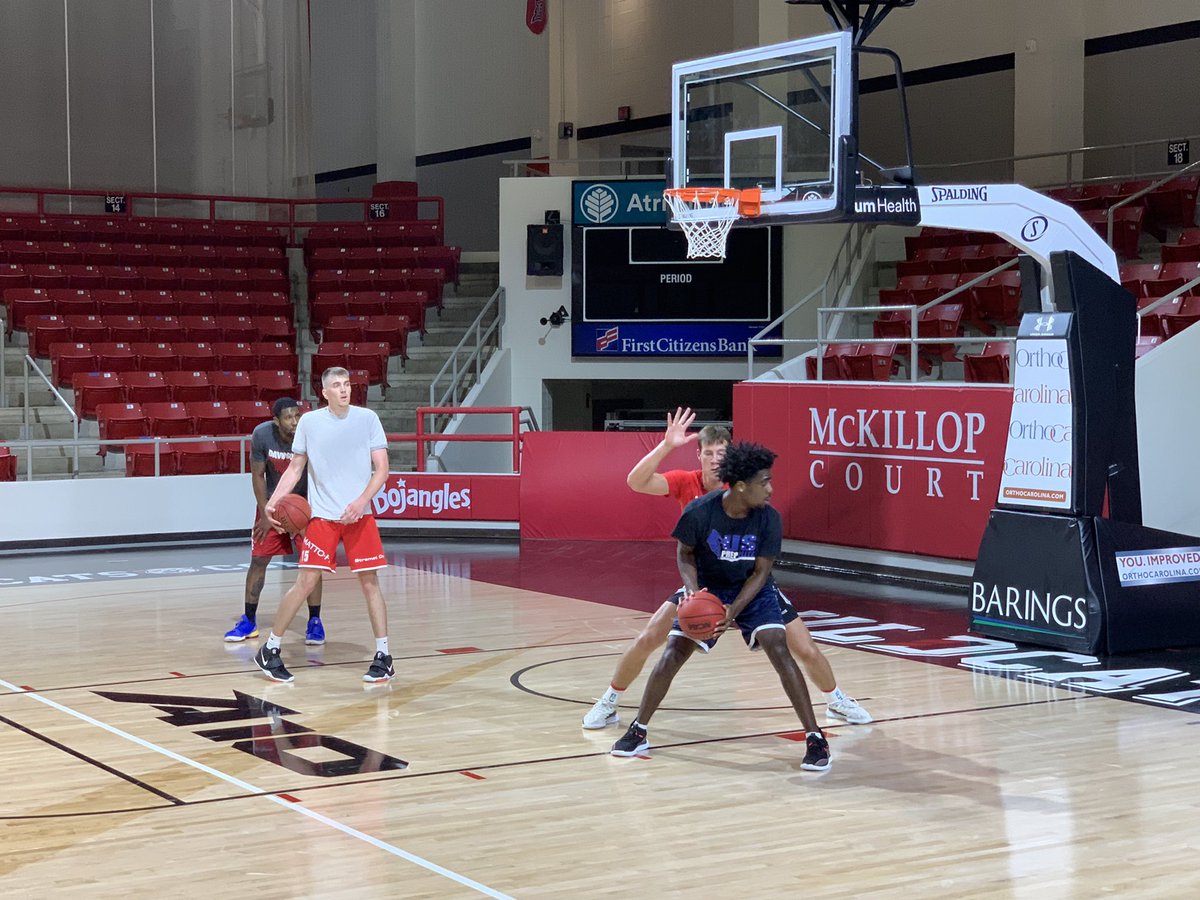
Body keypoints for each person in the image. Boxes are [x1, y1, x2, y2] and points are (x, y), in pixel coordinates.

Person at [582, 407, 871, 728]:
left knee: (804, 648)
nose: (716, 458)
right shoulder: (686, 484)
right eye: (709, 452)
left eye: (722, 452)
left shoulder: (743, 491)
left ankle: (836, 700)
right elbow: (636, 482)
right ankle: (609, 701)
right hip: (707, 583)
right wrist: (666, 446)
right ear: (699, 456)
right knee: (650, 637)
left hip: (750, 582)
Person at [611, 441, 831, 771]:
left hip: (751, 590)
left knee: (778, 646)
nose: (770, 489)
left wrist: (734, 611)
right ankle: (638, 729)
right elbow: (685, 553)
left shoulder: (768, 519)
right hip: (710, 587)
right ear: (741, 486)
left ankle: (815, 738)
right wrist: (694, 593)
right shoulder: (701, 511)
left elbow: (761, 572)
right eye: (764, 482)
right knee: (673, 652)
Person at [252, 367, 393, 684]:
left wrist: (360, 502)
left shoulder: (367, 419)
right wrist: (273, 502)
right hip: (321, 517)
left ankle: (384, 656)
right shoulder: (310, 423)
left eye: (347, 385)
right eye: (337, 386)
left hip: (360, 516)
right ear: (325, 392)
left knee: (370, 584)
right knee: (304, 582)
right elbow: (295, 468)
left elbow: (382, 469)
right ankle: (271, 649)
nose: (344, 390)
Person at [223, 397, 325, 645]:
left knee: (311, 564)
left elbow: (320, 474)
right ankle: (248, 621)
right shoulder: (262, 435)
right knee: (258, 560)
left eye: (297, 415)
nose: (294, 421)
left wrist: (312, 512)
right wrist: (265, 512)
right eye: (288, 417)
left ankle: (314, 621)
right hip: (272, 505)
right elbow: (257, 475)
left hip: (305, 506)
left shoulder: (310, 435)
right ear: (276, 420)